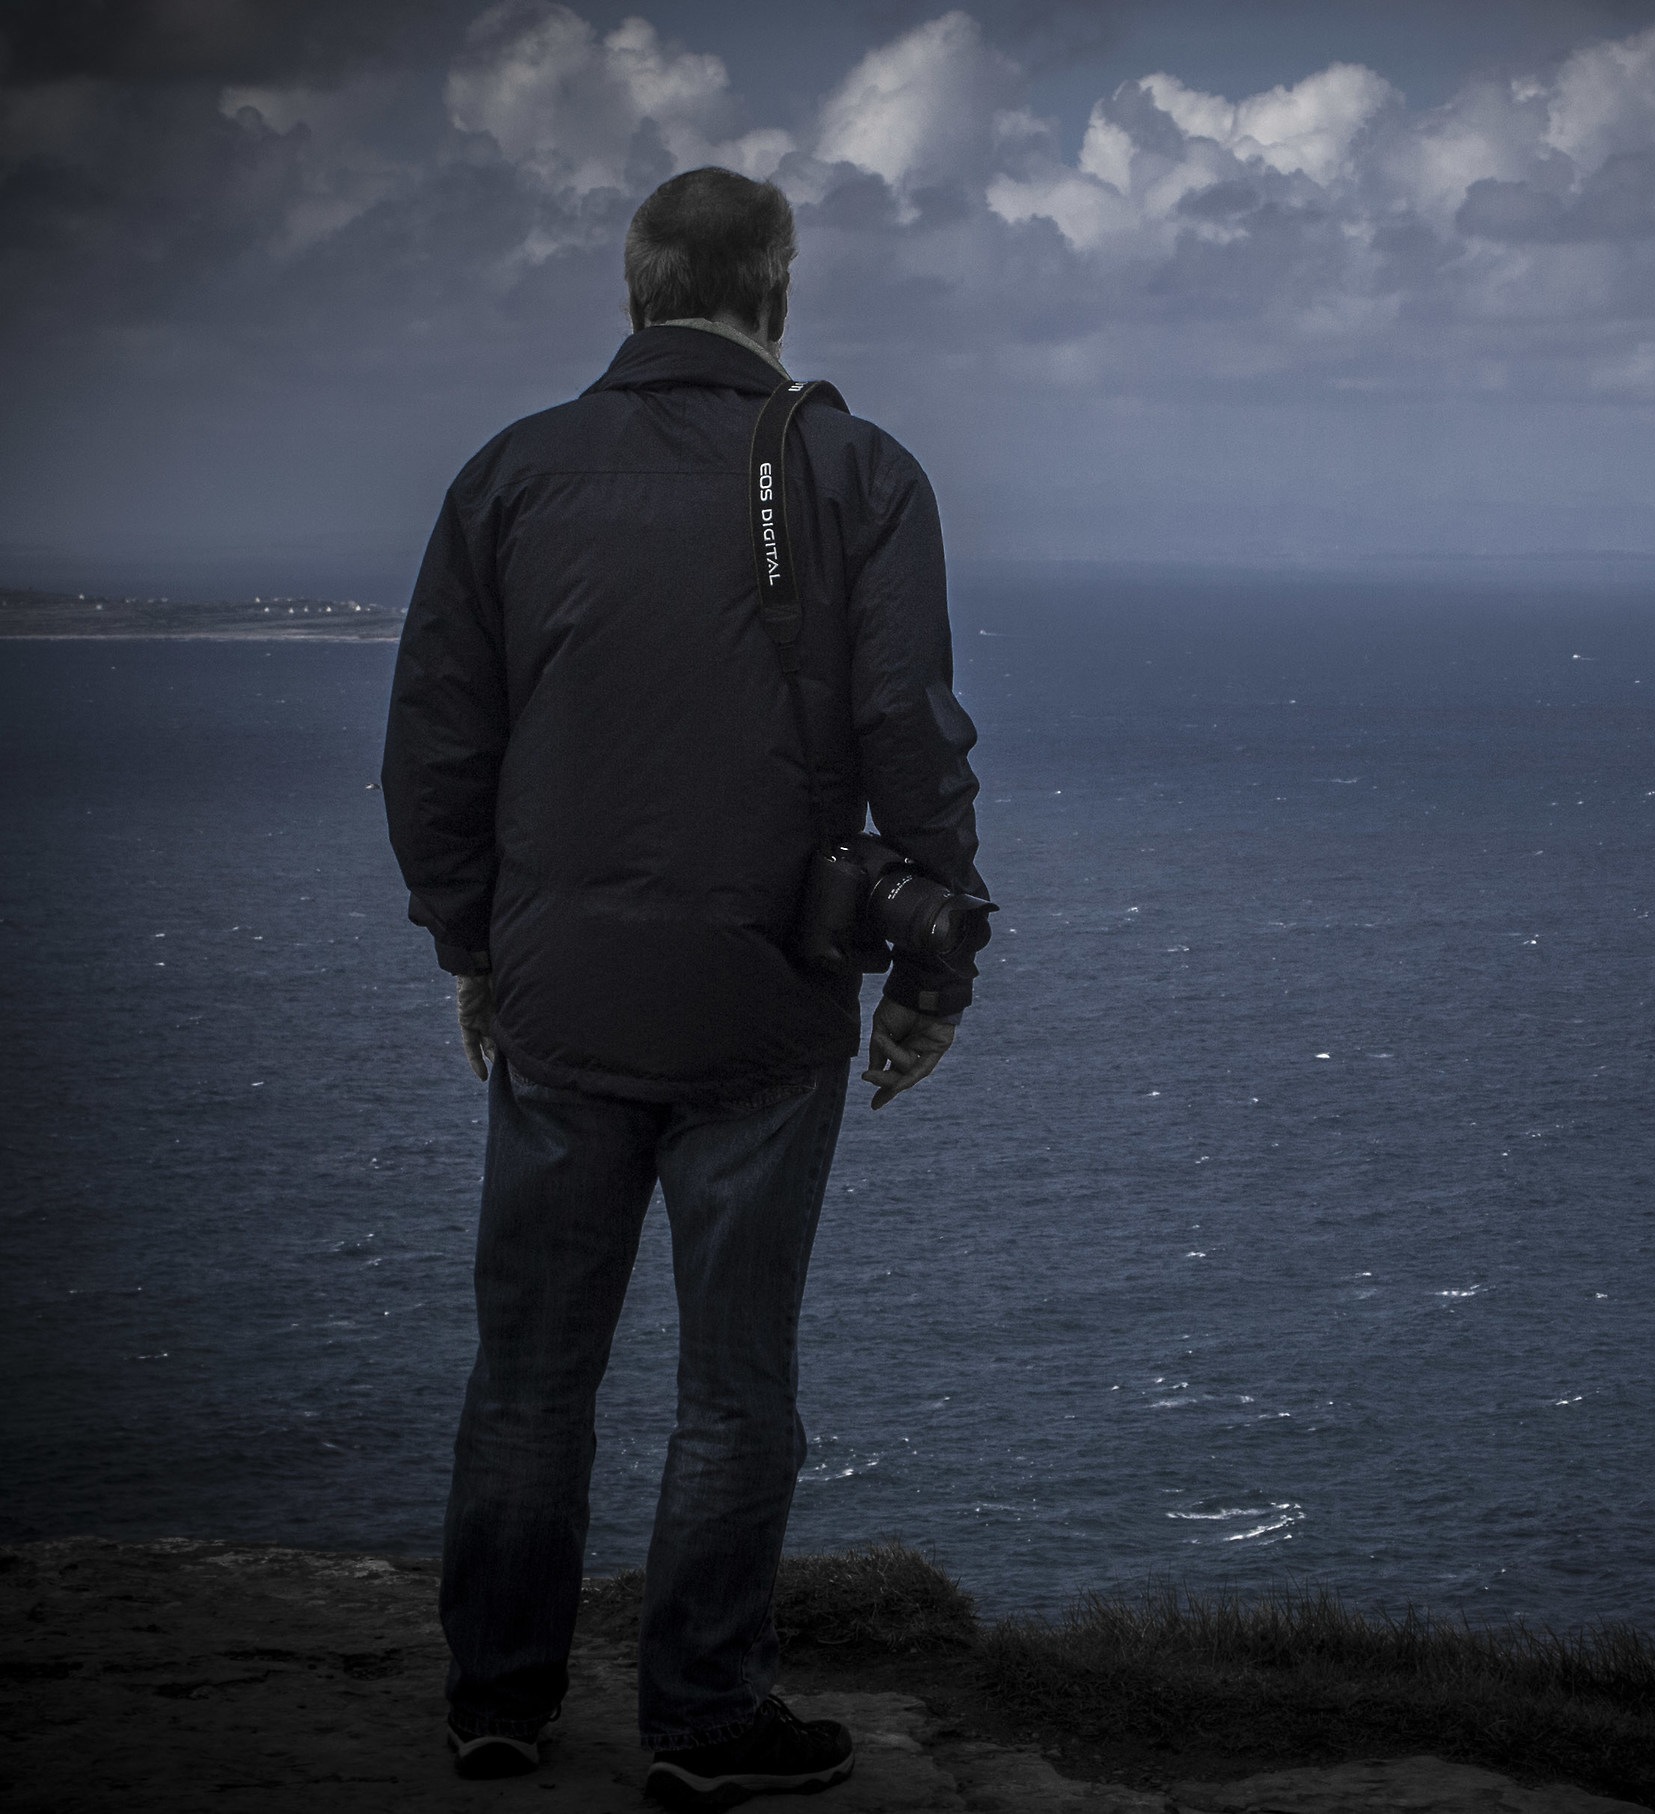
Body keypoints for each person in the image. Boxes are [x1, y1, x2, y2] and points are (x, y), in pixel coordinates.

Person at [380, 165, 987, 1806]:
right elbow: (911, 741)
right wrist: (942, 965)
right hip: (763, 1008)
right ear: (779, 288)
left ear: (633, 285)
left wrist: (470, 947)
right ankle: (703, 1719)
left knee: (527, 1373)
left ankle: (497, 1701)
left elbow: (435, 745)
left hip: (560, 996)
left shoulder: (510, 473)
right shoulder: (862, 473)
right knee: (734, 1389)